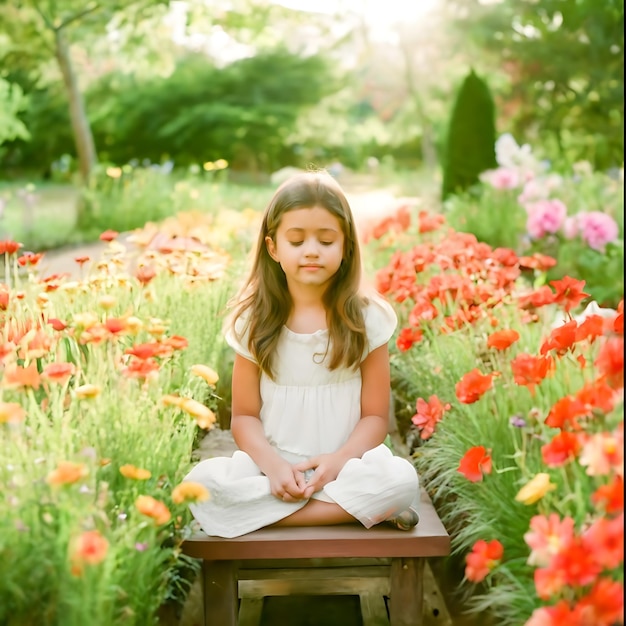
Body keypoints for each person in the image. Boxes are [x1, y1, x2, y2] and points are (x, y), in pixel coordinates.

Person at [184, 171, 419, 538]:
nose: (311, 250)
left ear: (346, 248)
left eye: (326, 240)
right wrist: (275, 468)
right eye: (296, 240)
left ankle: (274, 515)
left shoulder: (367, 318)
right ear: (273, 247)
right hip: (272, 470)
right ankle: (350, 511)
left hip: (346, 467)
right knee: (203, 487)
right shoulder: (253, 321)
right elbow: (244, 417)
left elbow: (375, 416)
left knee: (400, 480)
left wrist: (338, 462)